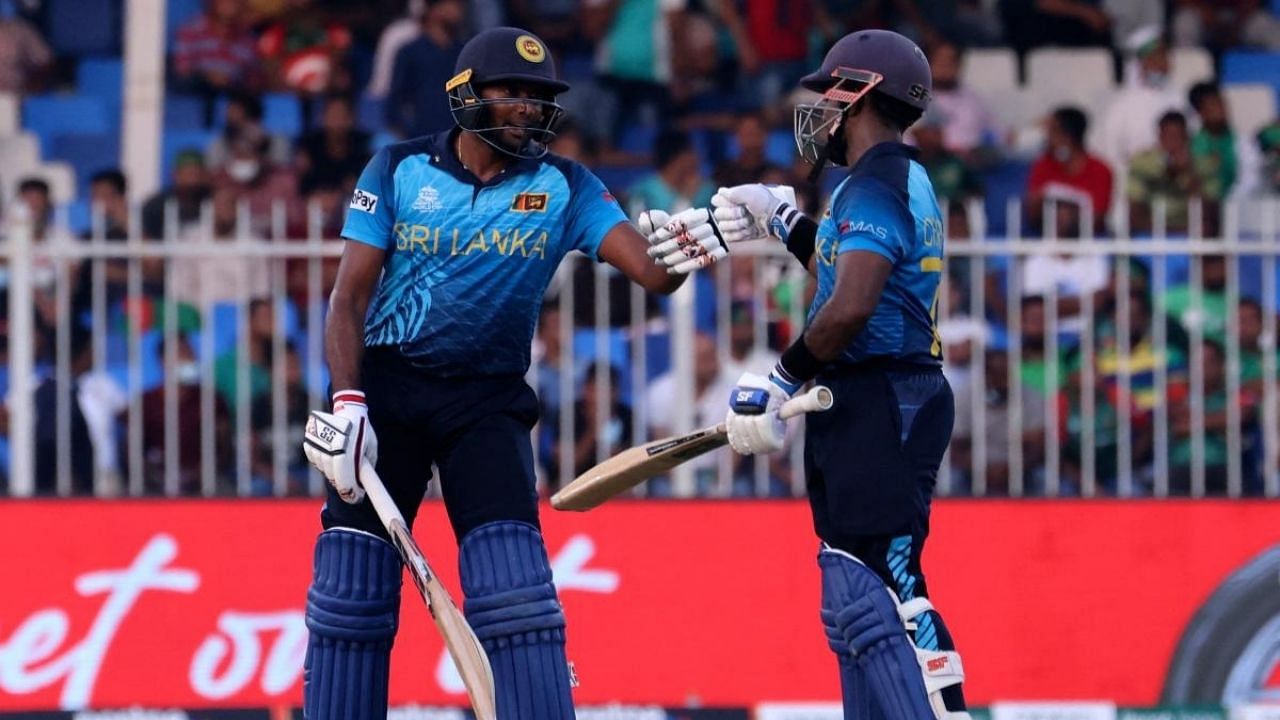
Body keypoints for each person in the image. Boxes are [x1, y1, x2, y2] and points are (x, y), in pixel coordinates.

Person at [300, 27, 705, 719]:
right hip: (386, 395)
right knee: (352, 599)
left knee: (515, 598)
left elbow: (652, 272)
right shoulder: (397, 169)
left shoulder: (565, 185)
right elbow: (349, 299)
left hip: (486, 403)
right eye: (510, 92)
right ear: (465, 96)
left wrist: (702, 240)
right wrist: (349, 403)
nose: (526, 108)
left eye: (538, 97)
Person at [649, 28, 970, 720]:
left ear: (862, 93)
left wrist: (780, 378)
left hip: (884, 393)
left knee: (886, 581)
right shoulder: (880, 180)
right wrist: (784, 220)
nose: (821, 107)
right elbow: (846, 285)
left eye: (831, 90)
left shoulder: (878, 181)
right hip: (869, 393)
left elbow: (853, 305)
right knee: (853, 590)